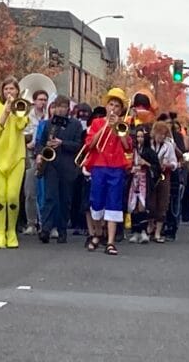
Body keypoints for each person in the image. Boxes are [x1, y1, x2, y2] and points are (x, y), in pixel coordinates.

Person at [81, 89, 132, 255]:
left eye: (117, 106)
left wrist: (118, 127)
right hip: (99, 166)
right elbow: (89, 144)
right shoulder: (96, 123)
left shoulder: (123, 124)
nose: (114, 108)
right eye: (111, 104)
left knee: (114, 202)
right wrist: (104, 127)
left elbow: (127, 146)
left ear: (120, 109)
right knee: (96, 200)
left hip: (116, 167)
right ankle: (96, 234)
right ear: (106, 105)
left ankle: (110, 241)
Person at [34, 95, 83, 244]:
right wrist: (40, 154)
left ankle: (62, 231)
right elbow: (40, 144)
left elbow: (78, 145)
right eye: (59, 106)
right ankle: (46, 230)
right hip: (51, 166)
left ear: (68, 108)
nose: (61, 109)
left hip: (68, 167)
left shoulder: (76, 125)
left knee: (64, 200)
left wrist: (62, 143)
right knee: (50, 197)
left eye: (64, 106)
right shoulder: (50, 124)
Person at [0, 76, 30, 249]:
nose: (9, 92)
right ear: (2, 91)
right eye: (6, 89)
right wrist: (5, 113)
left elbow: (22, 126)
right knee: (0, 197)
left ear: (17, 91)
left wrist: (15, 110)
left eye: (12, 89)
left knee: (12, 195)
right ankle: (0, 234)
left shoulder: (21, 107)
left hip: (16, 157)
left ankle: (11, 231)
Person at [22, 89, 49, 235]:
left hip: (46, 156)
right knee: (30, 191)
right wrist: (29, 142)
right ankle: (31, 223)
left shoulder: (49, 117)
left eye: (45, 99)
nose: (42, 102)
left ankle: (44, 222)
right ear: (34, 101)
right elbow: (21, 135)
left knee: (45, 192)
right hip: (31, 155)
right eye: (40, 99)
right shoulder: (26, 116)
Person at [127, 126, 160, 243]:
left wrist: (146, 163)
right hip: (133, 180)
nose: (139, 139)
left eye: (141, 136)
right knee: (133, 207)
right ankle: (135, 232)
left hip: (144, 180)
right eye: (137, 136)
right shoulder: (132, 151)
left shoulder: (150, 152)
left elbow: (157, 168)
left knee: (142, 205)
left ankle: (144, 231)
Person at [149, 120, 177, 243]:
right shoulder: (148, 144)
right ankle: (150, 226)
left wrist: (169, 165)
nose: (161, 136)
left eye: (164, 134)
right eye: (159, 133)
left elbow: (175, 163)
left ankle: (157, 233)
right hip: (150, 176)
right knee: (150, 203)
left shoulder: (169, 146)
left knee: (163, 203)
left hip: (164, 176)